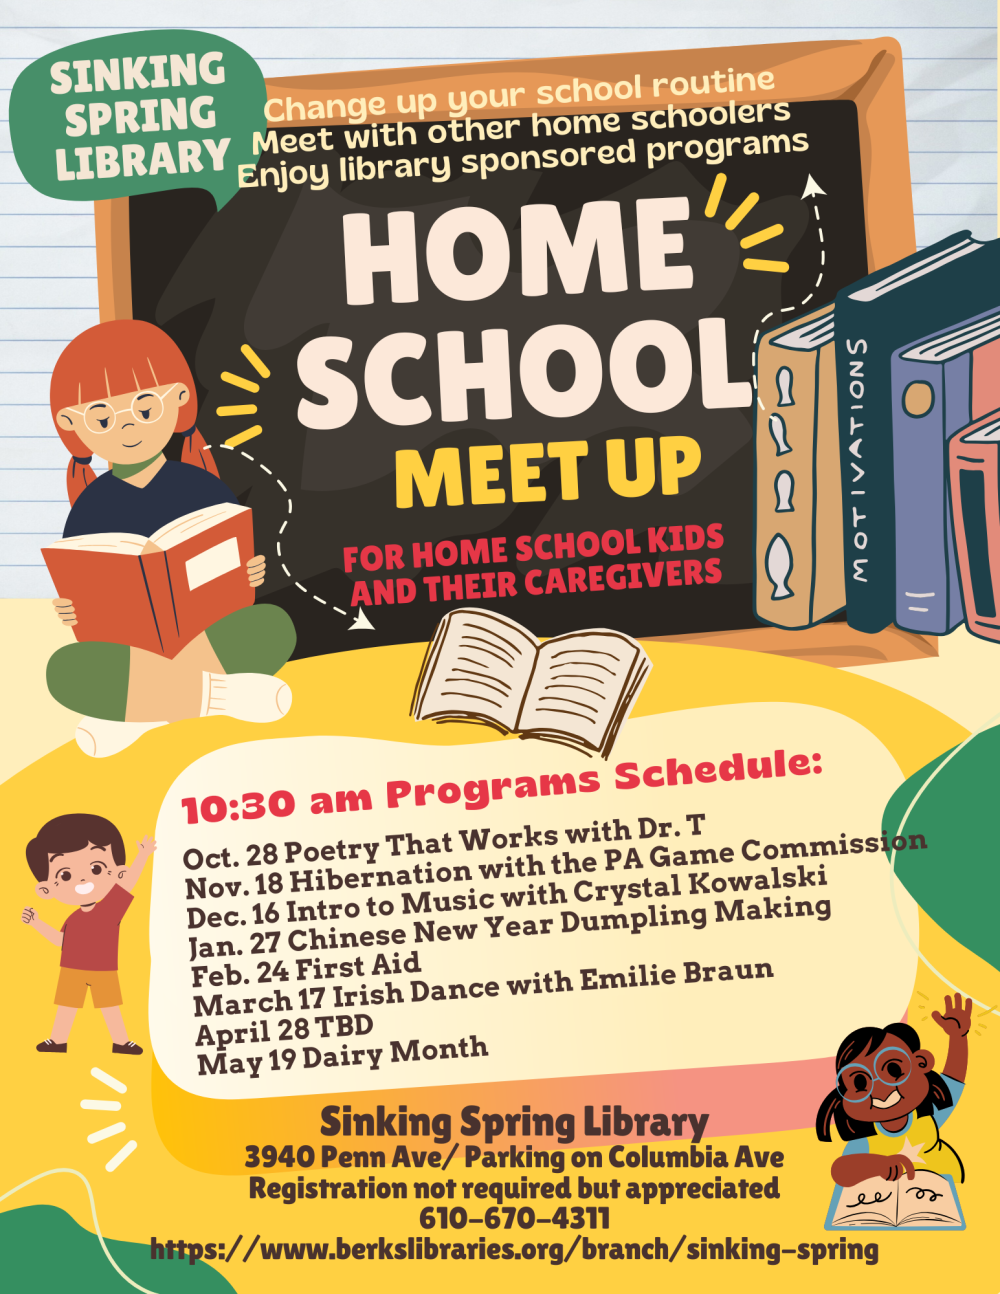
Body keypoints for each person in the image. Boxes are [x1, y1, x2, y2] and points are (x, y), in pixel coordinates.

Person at [46, 319, 296, 757]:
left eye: (144, 409)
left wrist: (249, 573)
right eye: (102, 417)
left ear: (178, 399)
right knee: (66, 671)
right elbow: (85, 591)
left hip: (204, 635)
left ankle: (139, 714)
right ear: (73, 424)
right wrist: (71, 609)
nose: (127, 427)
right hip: (133, 651)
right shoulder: (89, 507)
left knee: (271, 626)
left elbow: (236, 582)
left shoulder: (202, 486)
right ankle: (221, 698)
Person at [22, 813, 154, 1055]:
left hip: (103, 969)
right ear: (46, 888)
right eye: (65, 875)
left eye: (96, 868)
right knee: (66, 1007)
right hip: (71, 968)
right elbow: (61, 941)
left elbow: (128, 883)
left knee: (110, 1007)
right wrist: (37, 923)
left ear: (117, 872)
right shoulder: (72, 918)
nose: (82, 878)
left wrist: (142, 856)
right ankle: (57, 1041)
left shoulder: (110, 908)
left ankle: (122, 1043)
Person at [815, 996, 972, 1186]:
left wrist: (958, 1038)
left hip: (945, 1204)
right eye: (860, 1082)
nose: (880, 1088)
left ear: (921, 1063)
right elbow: (841, 1171)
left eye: (893, 1070)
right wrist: (878, 1164)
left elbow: (954, 1078)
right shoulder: (866, 1141)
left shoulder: (927, 1117)